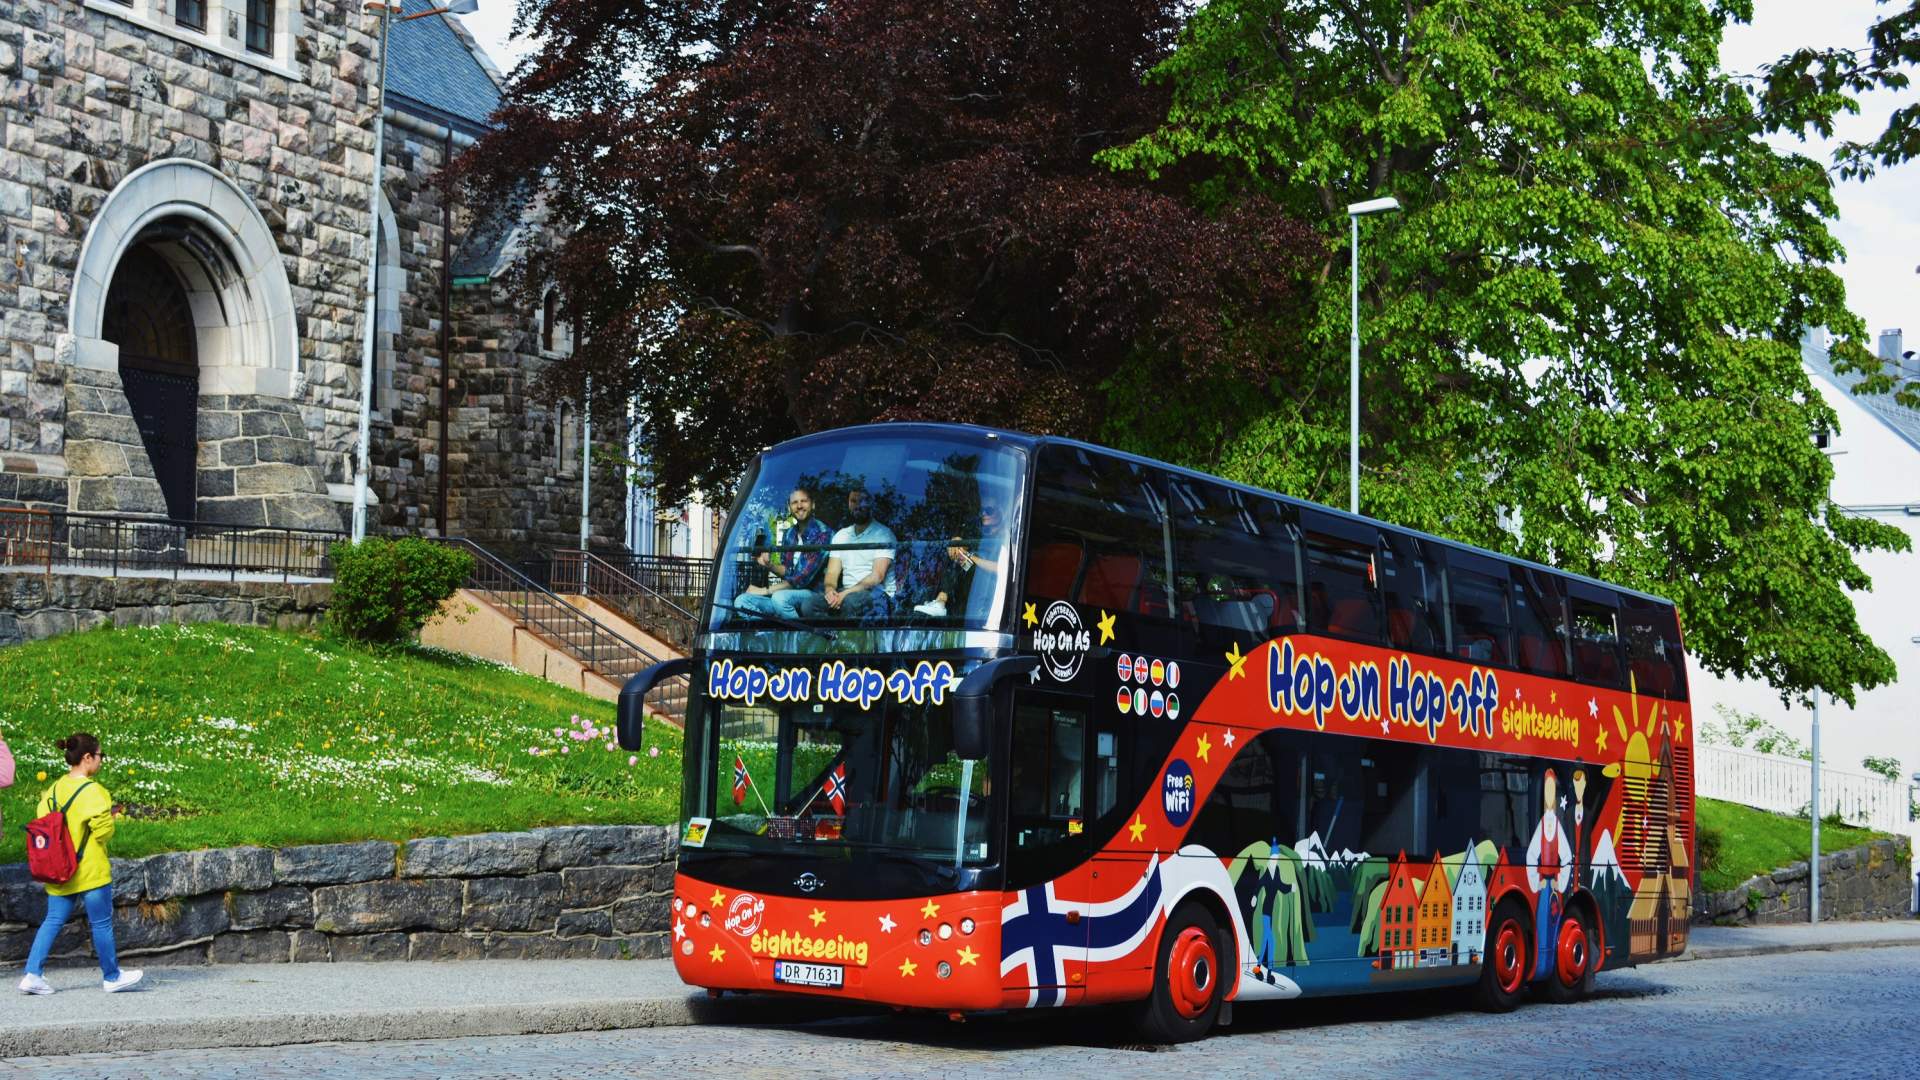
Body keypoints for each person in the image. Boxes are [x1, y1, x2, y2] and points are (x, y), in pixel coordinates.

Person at [17, 733, 142, 995]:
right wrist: (109, 819)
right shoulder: (94, 792)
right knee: (101, 923)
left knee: (52, 919)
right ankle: (112, 977)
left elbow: (45, 821)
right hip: (90, 871)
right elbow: (103, 833)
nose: (101, 761)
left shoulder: (53, 789)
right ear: (87, 758)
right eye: (100, 756)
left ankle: (32, 974)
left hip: (59, 869)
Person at [734, 487, 833, 621]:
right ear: (789, 507)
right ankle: (770, 636)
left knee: (780, 598)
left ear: (813, 504)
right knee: (742, 602)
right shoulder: (790, 534)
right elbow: (788, 571)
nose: (799, 506)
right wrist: (769, 565)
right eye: (794, 502)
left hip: (814, 596)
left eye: (803, 501)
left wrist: (765, 590)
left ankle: (798, 637)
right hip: (789, 595)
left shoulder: (823, 534)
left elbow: (800, 579)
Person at [799, 489, 896, 621]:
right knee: (809, 605)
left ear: (870, 504)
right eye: (853, 501)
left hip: (878, 595)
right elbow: (832, 573)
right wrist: (830, 591)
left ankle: (844, 640)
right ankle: (830, 637)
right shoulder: (841, 535)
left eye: (862, 501)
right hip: (846, 592)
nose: (857, 505)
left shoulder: (884, 534)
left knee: (850, 603)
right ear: (849, 504)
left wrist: (844, 594)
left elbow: (877, 576)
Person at [913, 500, 1005, 619]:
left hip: (993, 592)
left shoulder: (1008, 537)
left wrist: (969, 555)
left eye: (989, 510)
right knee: (956, 552)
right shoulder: (981, 534)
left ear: (1001, 511)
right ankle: (940, 601)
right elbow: (968, 557)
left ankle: (941, 602)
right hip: (975, 582)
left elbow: (1003, 569)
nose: (984, 514)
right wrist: (957, 544)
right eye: (982, 510)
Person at [1524, 768, 1573, 980]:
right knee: (1542, 924)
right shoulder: (1543, 824)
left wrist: (1559, 883)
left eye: (1553, 790)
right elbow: (1531, 854)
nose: (1550, 795)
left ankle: (1550, 963)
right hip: (1545, 887)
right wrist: (1538, 882)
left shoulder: (1557, 826)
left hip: (1554, 887)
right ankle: (1542, 962)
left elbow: (1567, 856)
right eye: (1547, 791)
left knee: (1553, 925)